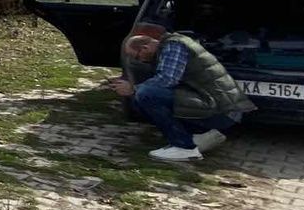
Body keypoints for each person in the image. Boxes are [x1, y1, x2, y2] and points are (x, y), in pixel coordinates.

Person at [109, 26, 254, 161]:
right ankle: (199, 135)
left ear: (145, 47)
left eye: (137, 56)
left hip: (223, 110)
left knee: (146, 94)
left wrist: (133, 88)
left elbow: (167, 79)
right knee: (141, 97)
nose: (139, 60)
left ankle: (184, 147)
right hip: (217, 105)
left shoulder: (174, 46)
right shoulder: (171, 45)